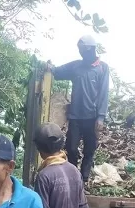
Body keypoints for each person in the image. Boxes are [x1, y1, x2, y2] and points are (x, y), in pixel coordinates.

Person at [50, 35, 110, 183]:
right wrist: (49, 67)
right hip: (76, 116)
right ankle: (72, 174)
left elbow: (104, 93)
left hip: (92, 117)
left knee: (90, 149)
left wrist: (101, 117)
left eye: (83, 49)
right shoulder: (75, 66)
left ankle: (84, 178)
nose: (81, 53)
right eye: (79, 50)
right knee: (71, 147)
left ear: (91, 49)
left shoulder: (102, 68)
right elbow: (57, 72)